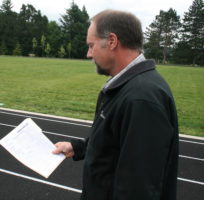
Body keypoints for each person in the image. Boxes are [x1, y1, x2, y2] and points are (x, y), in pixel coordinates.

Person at [52, 10, 179, 200]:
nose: (88, 54)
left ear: (112, 41)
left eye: (91, 45)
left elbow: (138, 189)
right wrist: (77, 148)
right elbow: (117, 142)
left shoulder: (142, 99)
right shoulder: (130, 87)